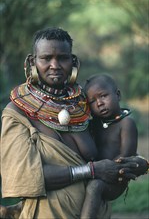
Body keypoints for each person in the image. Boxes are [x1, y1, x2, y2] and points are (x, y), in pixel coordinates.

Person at [0, 27, 148, 219]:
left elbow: (111, 148)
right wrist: (91, 170)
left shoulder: (84, 106)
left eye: (62, 58)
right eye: (46, 58)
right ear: (32, 61)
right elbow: (24, 176)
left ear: (73, 61)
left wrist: (138, 162)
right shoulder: (18, 112)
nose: (55, 65)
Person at [80, 73, 139, 218]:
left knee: (95, 186)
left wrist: (101, 170)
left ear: (117, 95)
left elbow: (126, 157)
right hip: (96, 172)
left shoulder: (126, 124)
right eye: (92, 101)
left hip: (116, 179)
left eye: (103, 96)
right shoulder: (94, 125)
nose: (99, 103)